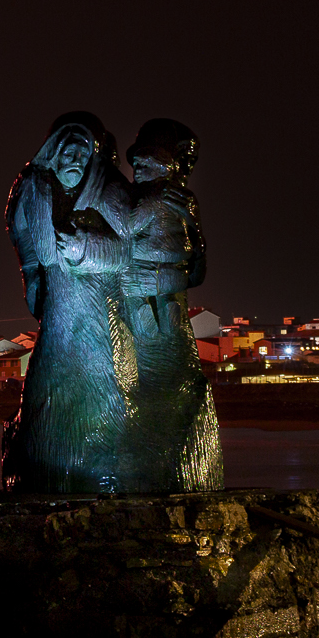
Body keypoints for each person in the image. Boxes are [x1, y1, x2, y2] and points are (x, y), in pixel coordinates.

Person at [2, 112, 138, 493]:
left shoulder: (108, 190)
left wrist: (85, 248)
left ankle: (105, 473)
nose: (74, 162)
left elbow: (128, 250)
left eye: (82, 154)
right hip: (59, 311)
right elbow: (25, 241)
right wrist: (31, 277)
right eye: (67, 154)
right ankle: (42, 471)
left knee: (102, 390)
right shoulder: (34, 188)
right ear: (54, 153)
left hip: (98, 310)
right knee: (47, 389)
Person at [119, 118, 223, 490]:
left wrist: (191, 234)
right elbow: (124, 231)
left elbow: (197, 255)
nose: (140, 170)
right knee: (149, 354)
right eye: (139, 163)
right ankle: (150, 442)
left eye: (150, 163)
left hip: (173, 286)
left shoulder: (183, 200)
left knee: (175, 354)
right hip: (140, 288)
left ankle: (174, 442)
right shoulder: (138, 200)